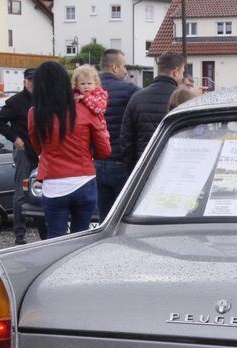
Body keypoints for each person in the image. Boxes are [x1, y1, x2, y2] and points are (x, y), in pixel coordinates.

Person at [27, 61, 110, 239]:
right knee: (80, 238)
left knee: (55, 237)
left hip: (53, 182)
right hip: (84, 179)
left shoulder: (35, 113)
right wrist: (88, 155)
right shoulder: (85, 109)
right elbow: (104, 149)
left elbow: (37, 147)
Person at [0, 67, 43, 244]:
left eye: (35, 81)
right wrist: (14, 138)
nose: (33, 84)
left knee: (41, 191)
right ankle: (19, 235)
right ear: (25, 82)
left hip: (42, 153)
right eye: (30, 80)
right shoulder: (16, 101)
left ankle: (43, 232)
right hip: (24, 151)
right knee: (21, 193)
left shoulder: (45, 100)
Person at [120, 51, 184, 169]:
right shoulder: (182, 98)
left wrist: (133, 170)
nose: (182, 76)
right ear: (175, 72)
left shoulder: (137, 97)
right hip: (174, 165)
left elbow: (126, 139)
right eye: (182, 72)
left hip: (143, 166)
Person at [95, 49, 139, 220]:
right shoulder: (129, 90)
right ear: (114, 67)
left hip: (96, 162)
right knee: (124, 216)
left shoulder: (88, 91)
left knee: (103, 216)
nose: (125, 70)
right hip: (120, 161)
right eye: (123, 66)